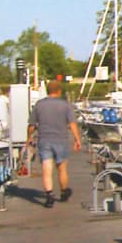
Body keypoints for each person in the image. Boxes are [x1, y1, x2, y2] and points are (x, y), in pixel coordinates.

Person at [27, 79, 81, 208]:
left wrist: (28, 137)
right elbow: (72, 123)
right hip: (61, 139)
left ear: (47, 91)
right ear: (59, 91)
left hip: (44, 139)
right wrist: (77, 139)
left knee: (46, 168)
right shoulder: (65, 105)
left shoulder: (39, 105)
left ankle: (49, 195)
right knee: (61, 168)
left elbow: (31, 125)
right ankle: (63, 192)